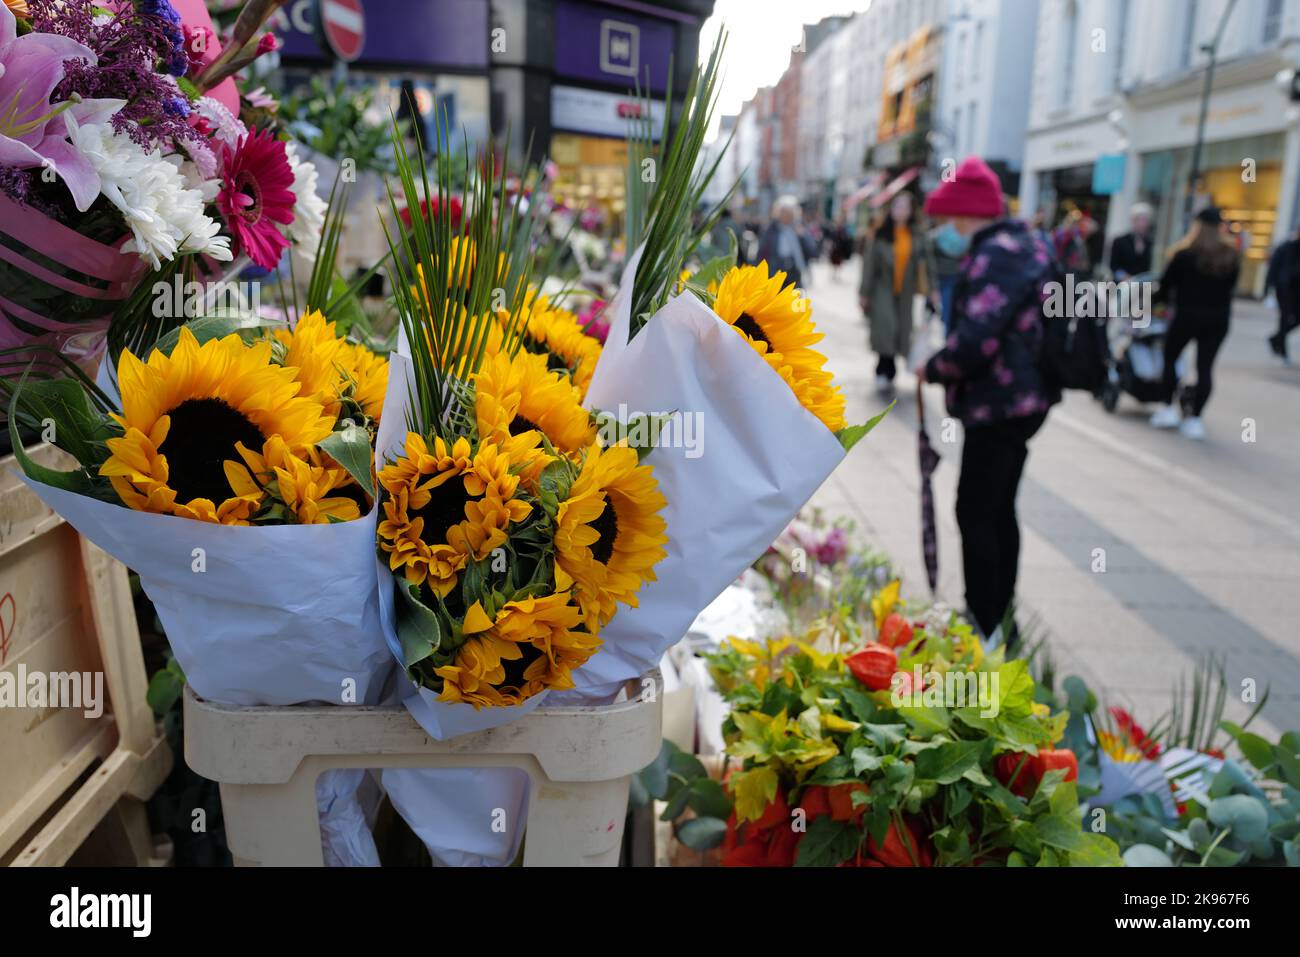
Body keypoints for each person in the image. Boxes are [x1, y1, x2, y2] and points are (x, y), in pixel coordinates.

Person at [919, 157, 1061, 646]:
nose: (944, 232)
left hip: (998, 404)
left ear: (965, 214)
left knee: (975, 511)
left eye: (946, 220)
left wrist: (933, 367)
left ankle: (986, 624)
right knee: (999, 509)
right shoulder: (1029, 246)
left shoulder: (996, 253)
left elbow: (977, 339)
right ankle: (1000, 616)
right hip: (1025, 401)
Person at [1148, 208, 1241, 440]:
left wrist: (1150, 303)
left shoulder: (1184, 254)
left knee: (1170, 358)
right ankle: (1195, 419)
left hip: (1187, 317)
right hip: (1217, 319)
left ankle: (1168, 407)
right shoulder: (1230, 255)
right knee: (1205, 368)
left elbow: (1164, 287)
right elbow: (1230, 288)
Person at [860, 191, 926, 395]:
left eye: (905, 207)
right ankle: (883, 368)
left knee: (900, 331)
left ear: (911, 211)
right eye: (897, 206)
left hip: (905, 292)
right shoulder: (881, 234)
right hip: (883, 289)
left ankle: (889, 367)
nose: (900, 210)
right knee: (885, 329)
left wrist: (931, 291)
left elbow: (926, 263)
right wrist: (864, 293)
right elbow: (869, 266)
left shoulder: (916, 235)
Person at [757, 195, 810, 289]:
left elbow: (812, 250)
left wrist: (802, 236)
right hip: (774, 273)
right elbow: (762, 252)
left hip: (794, 273)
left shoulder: (799, 228)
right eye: (783, 212)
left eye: (789, 213)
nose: (786, 216)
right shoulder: (771, 229)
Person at [1265, 227, 1300, 361]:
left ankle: (1276, 339)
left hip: (1296, 291)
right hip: (1284, 289)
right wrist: (1270, 287)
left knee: (1294, 319)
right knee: (1284, 318)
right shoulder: (1286, 247)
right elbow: (1274, 266)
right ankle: (1283, 350)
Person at [927, 219, 966, 332]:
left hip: (941, 275)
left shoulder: (937, 234)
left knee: (939, 310)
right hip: (951, 274)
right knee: (947, 311)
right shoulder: (963, 234)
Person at [1109, 202, 1154, 280]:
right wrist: (1125, 277)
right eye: (1140, 220)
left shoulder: (1149, 242)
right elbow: (1113, 265)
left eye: (1145, 220)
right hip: (1121, 285)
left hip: (1142, 287)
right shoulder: (1120, 241)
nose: (1143, 224)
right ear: (1133, 221)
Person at [1052, 208, 1097, 281]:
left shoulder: (1076, 237)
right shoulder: (1058, 234)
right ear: (1066, 220)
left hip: (1071, 271)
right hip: (1059, 270)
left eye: (1076, 223)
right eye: (1072, 222)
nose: (1073, 225)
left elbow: (1093, 227)